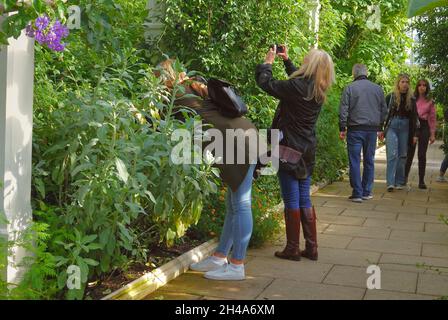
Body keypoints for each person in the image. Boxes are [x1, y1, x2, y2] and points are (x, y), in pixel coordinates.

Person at [156, 59, 257, 281]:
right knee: (234, 203)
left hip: (235, 142)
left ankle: (237, 266)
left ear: (163, 80)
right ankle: (220, 257)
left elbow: (158, 123)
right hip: (242, 135)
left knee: (241, 204)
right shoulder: (192, 84)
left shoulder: (177, 94)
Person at [255, 46, 335, 261]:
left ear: (310, 66)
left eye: (305, 60)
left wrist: (268, 63)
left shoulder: (298, 87)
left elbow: (267, 84)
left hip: (288, 148)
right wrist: (286, 61)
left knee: (291, 199)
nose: (302, 61)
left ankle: (292, 248)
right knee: (304, 198)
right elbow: (298, 82)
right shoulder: (318, 88)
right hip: (306, 149)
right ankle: (311, 247)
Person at [339, 64, 387, 203]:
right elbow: (384, 110)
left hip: (355, 129)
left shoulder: (349, 88)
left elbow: (343, 109)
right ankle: (367, 191)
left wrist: (342, 127)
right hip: (372, 130)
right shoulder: (377, 89)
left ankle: (357, 193)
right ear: (367, 73)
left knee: (354, 161)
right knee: (369, 160)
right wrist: (380, 126)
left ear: (354, 74)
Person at [383, 74, 419, 192]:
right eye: (402, 82)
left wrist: (415, 134)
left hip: (405, 127)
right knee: (392, 154)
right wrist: (380, 129)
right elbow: (383, 114)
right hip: (392, 126)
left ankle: (399, 182)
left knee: (403, 155)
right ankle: (390, 182)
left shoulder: (412, 99)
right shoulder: (391, 97)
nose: (405, 84)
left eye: (407, 82)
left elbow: (415, 118)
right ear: (398, 83)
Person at [404, 79, 436, 189]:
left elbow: (432, 119)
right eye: (420, 85)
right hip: (413, 126)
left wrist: (432, 134)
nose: (422, 87)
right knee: (409, 154)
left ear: (427, 88)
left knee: (422, 155)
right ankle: (404, 177)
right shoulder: (412, 98)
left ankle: (421, 180)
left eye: (424, 85)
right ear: (417, 87)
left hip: (424, 127)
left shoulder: (430, 101)